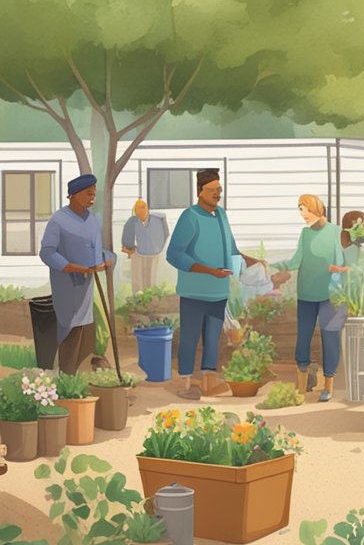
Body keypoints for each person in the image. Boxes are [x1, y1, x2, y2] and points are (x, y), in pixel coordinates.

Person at [165, 169, 260, 400]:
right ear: (200, 191)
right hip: (195, 292)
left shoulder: (222, 216)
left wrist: (251, 260)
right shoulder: (190, 217)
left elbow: (231, 249)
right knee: (189, 338)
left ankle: (208, 383)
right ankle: (189, 385)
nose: (218, 194)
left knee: (213, 340)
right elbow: (174, 254)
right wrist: (209, 271)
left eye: (220, 189)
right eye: (213, 190)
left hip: (219, 292)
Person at [270, 195, 349, 403]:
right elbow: (297, 259)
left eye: (305, 210)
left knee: (329, 338)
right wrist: (275, 266)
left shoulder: (335, 231)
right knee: (303, 337)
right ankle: (302, 384)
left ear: (317, 209)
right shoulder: (305, 234)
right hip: (306, 294)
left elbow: (341, 261)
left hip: (329, 295)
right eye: (300, 210)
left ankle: (328, 384)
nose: (303, 215)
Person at [39, 174, 117, 374]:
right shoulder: (59, 220)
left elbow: (95, 250)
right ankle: (65, 378)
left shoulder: (91, 219)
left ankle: (80, 379)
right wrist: (73, 267)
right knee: (69, 330)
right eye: (88, 193)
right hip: (67, 285)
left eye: (94, 193)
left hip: (87, 285)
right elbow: (47, 252)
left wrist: (108, 258)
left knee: (86, 331)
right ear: (73, 195)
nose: (92, 196)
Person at [120, 199, 169, 294]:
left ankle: (151, 297)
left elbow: (165, 234)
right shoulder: (132, 221)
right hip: (138, 253)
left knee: (151, 279)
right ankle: (137, 298)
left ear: (147, 208)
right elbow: (126, 237)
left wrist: (159, 248)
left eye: (143, 207)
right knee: (138, 280)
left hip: (154, 253)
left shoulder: (157, 220)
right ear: (135, 210)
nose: (141, 210)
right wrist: (130, 249)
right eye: (138, 208)